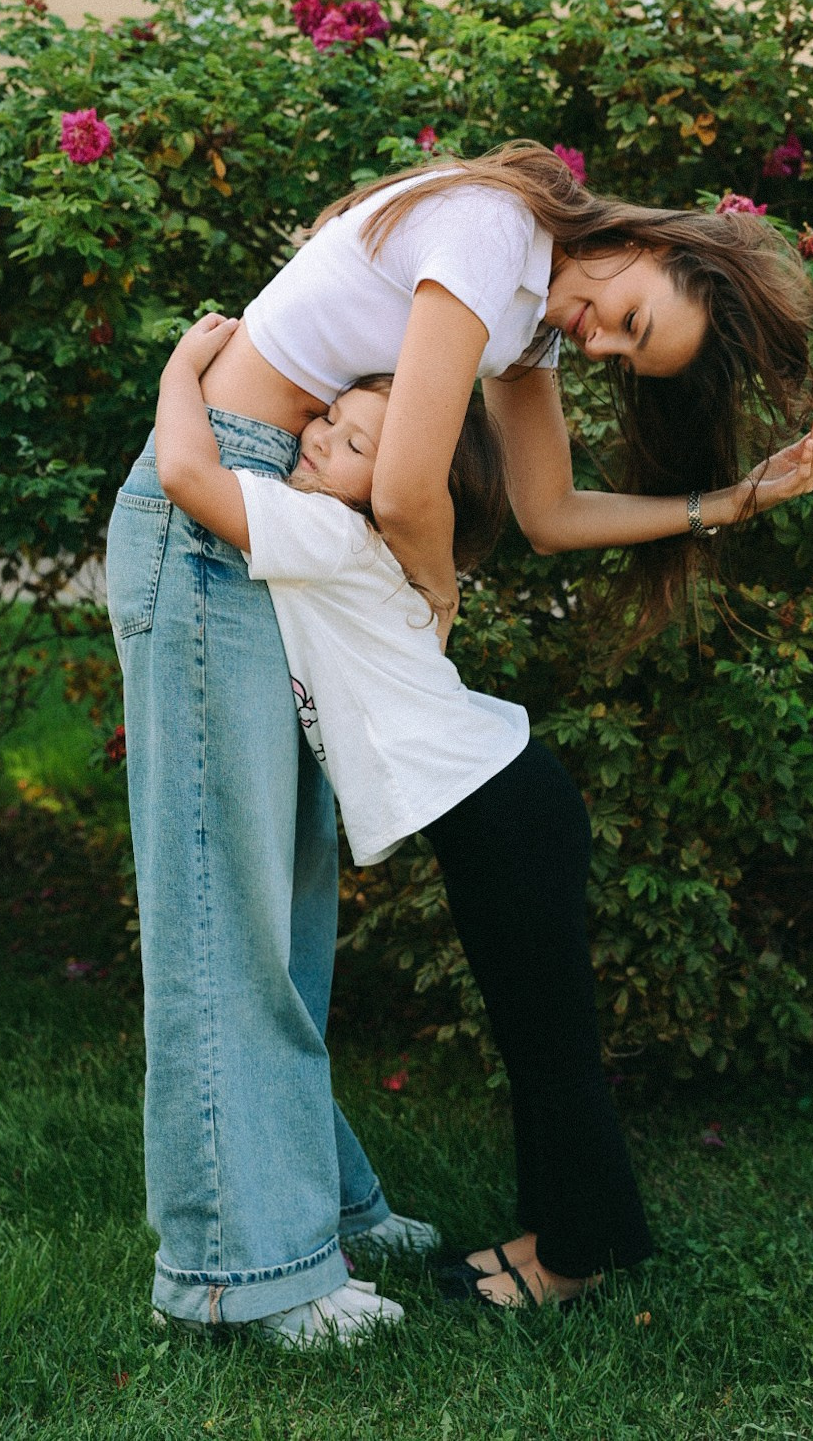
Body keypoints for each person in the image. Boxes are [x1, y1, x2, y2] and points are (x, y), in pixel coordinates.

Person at [105, 141, 813, 1336]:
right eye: (631, 321)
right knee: (221, 911)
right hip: (224, 509)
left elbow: (546, 512)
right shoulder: (498, 234)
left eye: (620, 354)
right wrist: (431, 598)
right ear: (652, 243)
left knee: (279, 912)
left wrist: (726, 504)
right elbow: (401, 492)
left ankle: (317, 1209)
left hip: (272, 503)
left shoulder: (526, 318)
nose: (598, 342)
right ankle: (240, 1275)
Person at [154, 317, 657, 1310]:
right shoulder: (358, 541)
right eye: (331, 418)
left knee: (546, 1038)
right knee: (536, 1033)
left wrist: (182, 366)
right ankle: (560, 1234)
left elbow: (182, 474)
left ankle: (578, 1257)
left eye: (355, 445)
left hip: (501, 808)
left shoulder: (328, 535)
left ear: (406, 486)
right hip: (505, 802)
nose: (320, 438)